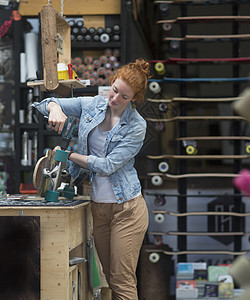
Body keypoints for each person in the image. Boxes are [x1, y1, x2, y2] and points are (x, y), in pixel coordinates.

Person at [32, 58, 150, 299]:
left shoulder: (136, 126)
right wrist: (55, 108)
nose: (115, 99)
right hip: (100, 207)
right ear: (111, 83)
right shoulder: (93, 105)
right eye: (114, 91)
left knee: (122, 281)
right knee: (109, 275)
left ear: (134, 99)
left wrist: (69, 155)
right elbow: (43, 104)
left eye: (124, 97)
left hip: (126, 209)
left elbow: (108, 166)